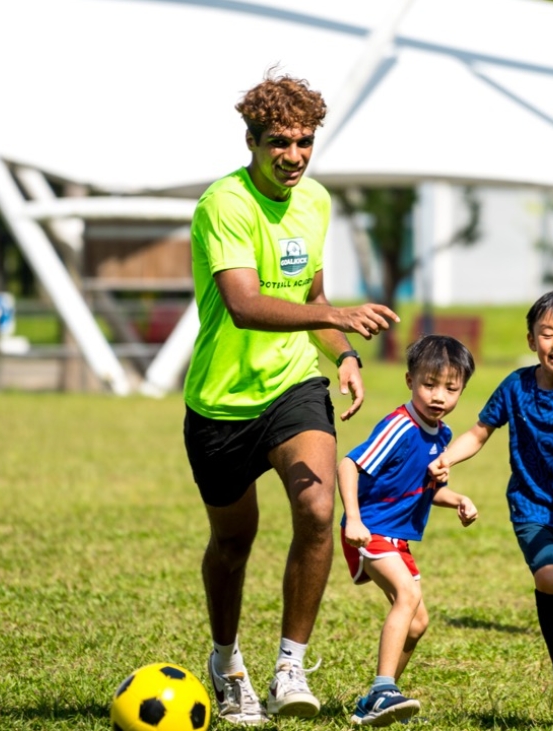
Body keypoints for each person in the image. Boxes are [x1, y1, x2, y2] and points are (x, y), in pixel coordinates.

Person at [181, 72, 399, 726]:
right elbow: (245, 306)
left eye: (305, 142)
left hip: (293, 389)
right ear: (251, 140)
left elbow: (311, 301)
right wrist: (332, 317)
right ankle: (226, 662)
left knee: (316, 503)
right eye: (280, 142)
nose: (295, 155)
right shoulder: (225, 204)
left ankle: (289, 666)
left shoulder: (316, 201)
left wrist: (347, 353)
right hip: (220, 404)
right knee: (233, 541)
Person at [429, 290, 553, 728]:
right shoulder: (515, 384)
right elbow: (479, 432)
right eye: (547, 333)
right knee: (550, 578)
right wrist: (446, 458)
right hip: (531, 504)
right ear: (532, 339)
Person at [337, 335, 479, 726]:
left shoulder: (443, 436)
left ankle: (375, 700)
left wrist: (458, 500)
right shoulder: (399, 426)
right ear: (409, 380)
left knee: (418, 622)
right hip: (371, 528)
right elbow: (348, 465)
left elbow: (426, 491)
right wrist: (353, 518)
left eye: (451, 389)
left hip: (397, 538)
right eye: (429, 385)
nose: (439, 396)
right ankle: (384, 689)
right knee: (407, 593)